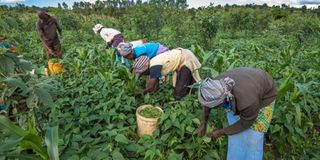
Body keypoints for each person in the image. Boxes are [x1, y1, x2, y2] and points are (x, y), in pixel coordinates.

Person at [196, 67, 278, 160]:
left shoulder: (247, 102)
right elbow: (208, 102)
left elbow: (245, 123)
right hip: (247, 82)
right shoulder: (214, 85)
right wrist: (203, 123)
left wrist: (221, 132)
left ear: (222, 101)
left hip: (265, 95)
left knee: (253, 138)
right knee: (235, 134)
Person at [132, 48, 201, 100]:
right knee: (186, 84)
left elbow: (150, 87)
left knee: (178, 92)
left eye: (142, 72)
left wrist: (138, 93)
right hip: (182, 57)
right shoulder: (152, 64)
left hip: (186, 59)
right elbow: (155, 84)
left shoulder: (154, 67)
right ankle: (192, 97)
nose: (143, 74)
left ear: (145, 69)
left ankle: (178, 106)